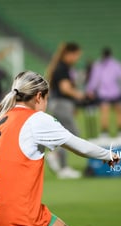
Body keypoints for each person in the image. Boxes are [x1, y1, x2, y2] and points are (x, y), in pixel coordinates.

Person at [0, 71, 119, 226]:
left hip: (9, 217)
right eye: (47, 98)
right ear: (39, 96)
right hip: (16, 224)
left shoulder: (1, 121)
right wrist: (109, 155)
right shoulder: (36, 120)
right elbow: (79, 145)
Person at [45, 42, 86, 179]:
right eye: (76, 55)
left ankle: (58, 159)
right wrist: (79, 94)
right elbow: (65, 88)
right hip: (62, 104)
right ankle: (59, 163)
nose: (77, 59)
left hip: (59, 104)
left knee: (66, 134)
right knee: (71, 135)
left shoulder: (59, 66)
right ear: (69, 54)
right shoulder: (62, 68)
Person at [86, 47, 121, 137]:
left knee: (105, 112)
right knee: (118, 112)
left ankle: (105, 132)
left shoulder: (98, 65)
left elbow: (94, 80)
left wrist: (90, 90)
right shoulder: (116, 64)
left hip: (104, 93)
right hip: (114, 92)